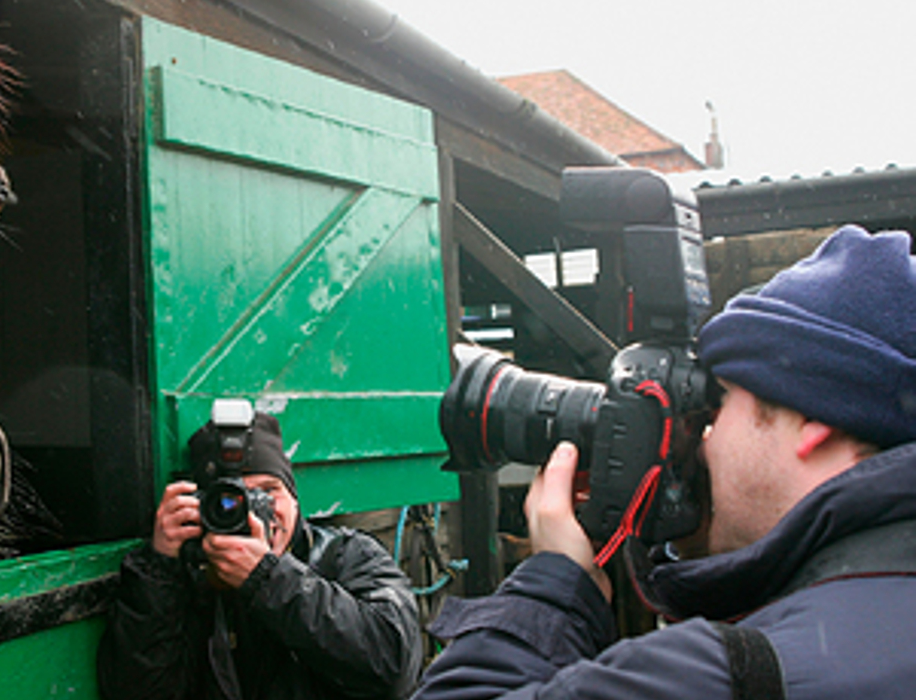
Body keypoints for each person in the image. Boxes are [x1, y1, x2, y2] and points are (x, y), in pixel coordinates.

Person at [411, 224, 916, 699]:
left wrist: (552, 587)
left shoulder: (731, 673)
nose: (703, 440)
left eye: (720, 401)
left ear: (812, 417)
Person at [97, 410, 424, 700]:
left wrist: (268, 579)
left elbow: (393, 667)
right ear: (205, 507)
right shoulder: (188, 579)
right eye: (234, 499)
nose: (257, 514)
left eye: (268, 492)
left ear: (294, 498)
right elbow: (137, 690)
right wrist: (158, 568)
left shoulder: (347, 555)